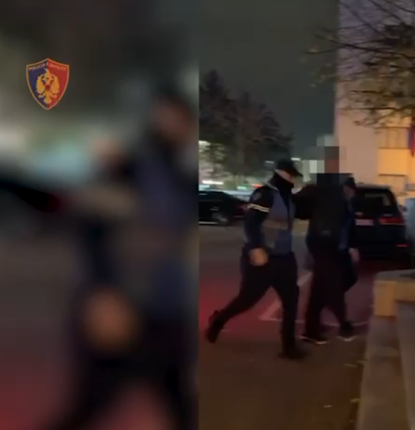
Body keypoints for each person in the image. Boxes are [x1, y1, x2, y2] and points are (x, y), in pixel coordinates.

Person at [47, 84, 197, 430]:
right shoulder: (128, 169)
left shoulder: (179, 174)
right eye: (167, 116)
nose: (174, 126)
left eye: (181, 119)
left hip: (166, 311)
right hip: (125, 306)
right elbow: (92, 228)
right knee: (91, 405)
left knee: (182, 405)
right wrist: (103, 292)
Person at [205, 159, 307, 360]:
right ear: (279, 173)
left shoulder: (289, 197)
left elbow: (302, 213)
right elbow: (251, 222)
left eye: (294, 175)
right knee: (247, 300)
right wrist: (255, 247)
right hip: (263, 258)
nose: (293, 178)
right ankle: (218, 320)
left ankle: (288, 346)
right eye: (290, 174)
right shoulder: (265, 194)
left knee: (291, 299)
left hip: (284, 258)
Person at [295, 176, 359, 345]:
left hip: (335, 250)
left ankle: (311, 329)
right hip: (325, 250)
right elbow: (322, 225)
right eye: (351, 191)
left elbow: (349, 227)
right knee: (333, 287)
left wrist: (352, 246)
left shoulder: (345, 204)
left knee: (320, 290)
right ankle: (344, 326)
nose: (352, 195)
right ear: (345, 188)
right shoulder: (329, 201)